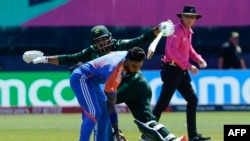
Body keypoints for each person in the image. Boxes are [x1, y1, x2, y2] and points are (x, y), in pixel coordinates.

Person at [23, 22, 187, 141]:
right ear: (94, 44)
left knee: (101, 105)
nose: (102, 43)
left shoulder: (119, 45)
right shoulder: (91, 52)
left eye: (104, 39)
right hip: (139, 87)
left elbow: (141, 39)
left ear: (109, 38)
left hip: (132, 82)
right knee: (146, 119)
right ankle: (170, 138)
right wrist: (43, 59)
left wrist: (159, 29)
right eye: (98, 41)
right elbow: (69, 58)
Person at [152, 5, 211, 141]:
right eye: (188, 17)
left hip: (181, 71)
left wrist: (199, 59)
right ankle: (147, 132)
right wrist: (190, 66)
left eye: (192, 17)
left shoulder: (188, 31)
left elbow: (189, 49)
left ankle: (193, 136)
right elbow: (171, 52)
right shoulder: (176, 30)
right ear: (182, 17)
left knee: (192, 100)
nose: (190, 20)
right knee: (162, 103)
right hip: (172, 70)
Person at [70, 47, 147, 141]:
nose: (137, 70)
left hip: (93, 82)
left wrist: (88, 64)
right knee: (94, 112)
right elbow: (111, 105)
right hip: (81, 79)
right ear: (126, 61)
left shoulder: (126, 53)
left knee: (105, 112)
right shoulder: (115, 73)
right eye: (134, 66)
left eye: (139, 67)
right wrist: (117, 131)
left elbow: (109, 54)